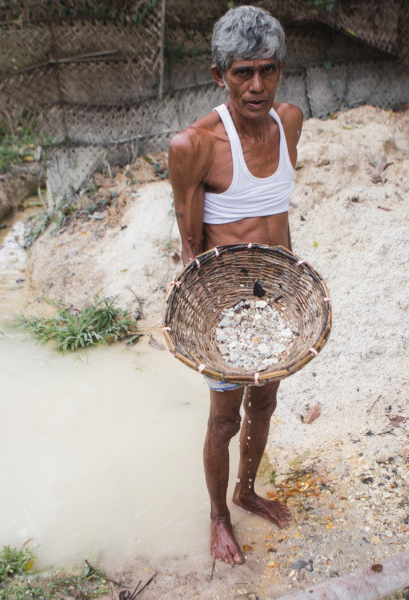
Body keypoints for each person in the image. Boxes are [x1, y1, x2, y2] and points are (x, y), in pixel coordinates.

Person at [167, 5, 304, 565]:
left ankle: (247, 491)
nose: (256, 85)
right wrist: (200, 324)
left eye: (267, 71)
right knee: (224, 418)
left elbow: (279, 213)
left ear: (280, 71)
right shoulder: (194, 146)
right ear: (218, 74)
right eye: (242, 72)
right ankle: (218, 515)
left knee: (265, 404)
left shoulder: (290, 121)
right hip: (226, 308)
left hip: (275, 303)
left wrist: (293, 287)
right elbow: (190, 244)